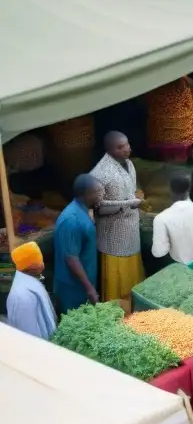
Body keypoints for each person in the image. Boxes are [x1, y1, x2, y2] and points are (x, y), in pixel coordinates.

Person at [90, 131, 145, 303]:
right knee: (117, 285)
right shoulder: (100, 173)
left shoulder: (129, 163)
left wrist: (134, 200)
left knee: (133, 280)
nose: (126, 149)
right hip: (114, 237)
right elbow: (98, 209)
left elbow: (131, 190)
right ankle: (118, 312)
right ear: (109, 149)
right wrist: (125, 205)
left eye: (127, 144)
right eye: (120, 147)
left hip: (131, 233)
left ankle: (134, 309)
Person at [53, 174, 102, 313]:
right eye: (97, 192)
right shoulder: (71, 220)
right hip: (73, 288)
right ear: (87, 194)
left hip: (84, 283)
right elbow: (71, 258)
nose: (101, 195)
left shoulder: (83, 210)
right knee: (73, 324)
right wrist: (90, 289)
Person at [6, 242, 57, 340]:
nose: (42, 264)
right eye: (38, 261)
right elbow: (31, 336)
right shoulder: (22, 297)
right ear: (29, 267)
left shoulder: (31, 280)